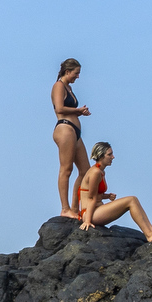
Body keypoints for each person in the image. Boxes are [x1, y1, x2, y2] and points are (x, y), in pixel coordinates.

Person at [77, 142, 152, 241]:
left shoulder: (101, 171)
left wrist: (107, 196)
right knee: (131, 200)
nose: (113, 157)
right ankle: (149, 234)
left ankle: (151, 230)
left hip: (97, 209)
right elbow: (91, 198)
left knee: (133, 200)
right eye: (109, 154)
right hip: (90, 213)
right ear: (101, 156)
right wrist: (87, 221)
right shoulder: (95, 172)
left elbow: (93, 194)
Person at [51, 58, 92, 217]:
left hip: (75, 131)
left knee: (85, 171)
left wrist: (80, 112)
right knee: (66, 169)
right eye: (76, 73)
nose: (78, 77)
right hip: (65, 128)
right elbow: (60, 108)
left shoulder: (68, 87)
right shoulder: (58, 86)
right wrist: (78, 111)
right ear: (67, 71)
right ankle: (65, 208)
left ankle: (75, 208)